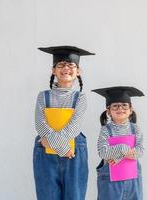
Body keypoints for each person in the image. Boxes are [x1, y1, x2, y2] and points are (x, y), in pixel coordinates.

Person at [33, 46, 94, 200]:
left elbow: (74, 127)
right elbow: (40, 124)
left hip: (72, 153)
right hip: (46, 156)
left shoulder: (80, 98)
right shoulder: (43, 96)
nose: (66, 68)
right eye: (60, 64)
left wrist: (55, 146)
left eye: (71, 65)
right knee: (47, 195)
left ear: (78, 71)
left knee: (75, 195)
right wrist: (62, 148)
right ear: (53, 70)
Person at [92, 86, 145, 200]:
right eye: (115, 106)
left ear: (130, 110)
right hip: (111, 181)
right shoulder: (106, 130)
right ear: (108, 111)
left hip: (133, 181)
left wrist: (117, 156)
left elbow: (140, 151)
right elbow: (103, 152)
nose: (120, 108)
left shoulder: (135, 129)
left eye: (124, 105)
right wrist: (123, 149)